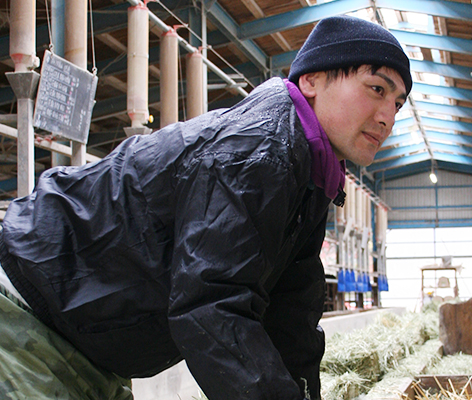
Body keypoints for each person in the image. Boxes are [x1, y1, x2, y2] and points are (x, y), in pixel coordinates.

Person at [0, 15, 411, 400]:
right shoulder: (259, 151)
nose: (386, 117)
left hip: (86, 343)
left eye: (397, 103)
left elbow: (291, 316)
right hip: (29, 314)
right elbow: (212, 306)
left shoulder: (311, 176)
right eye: (377, 89)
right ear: (312, 80)